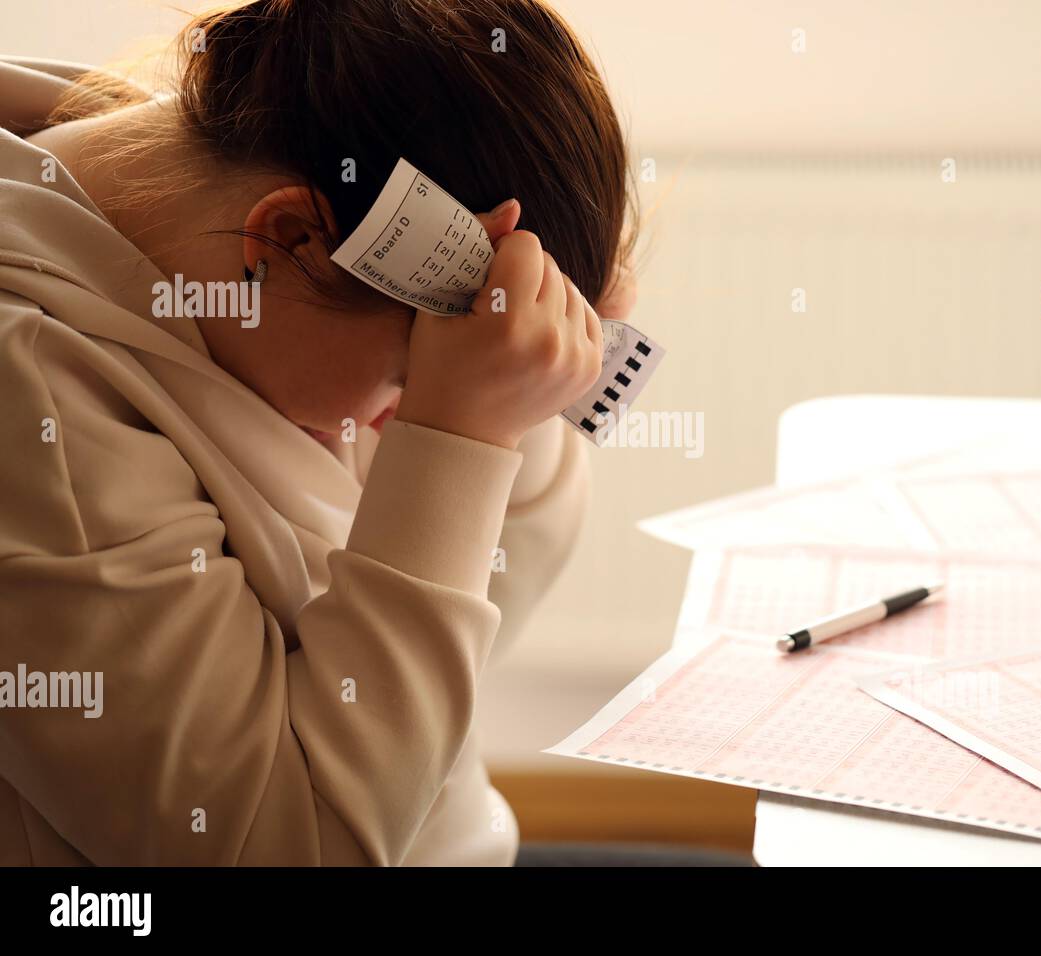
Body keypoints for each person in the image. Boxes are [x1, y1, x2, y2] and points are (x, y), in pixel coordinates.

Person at [0, 0, 639, 866]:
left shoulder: (191, 214)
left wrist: (518, 390)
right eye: (409, 381)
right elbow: (284, 842)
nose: (390, 427)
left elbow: (473, 626)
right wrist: (459, 434)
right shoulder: (33, 395)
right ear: (290, 238)